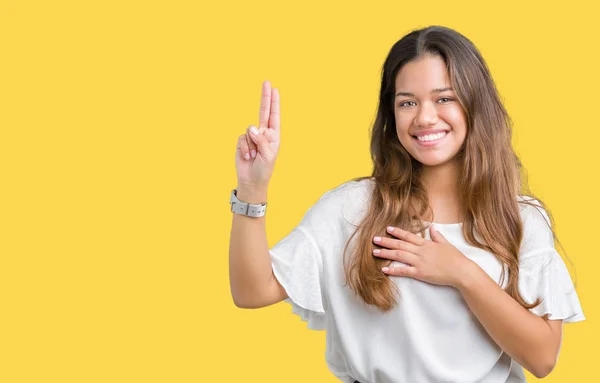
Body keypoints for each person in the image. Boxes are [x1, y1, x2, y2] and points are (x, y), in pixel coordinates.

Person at [228, 25, 585, 383]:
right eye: (407, 102)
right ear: (392, 115)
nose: (425, 117)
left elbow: (542, 358)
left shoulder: (521, 218)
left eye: (444, 98)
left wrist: (462, 273)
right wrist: (252, 188)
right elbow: (252, 290)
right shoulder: (352, 209)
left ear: (476, 103)